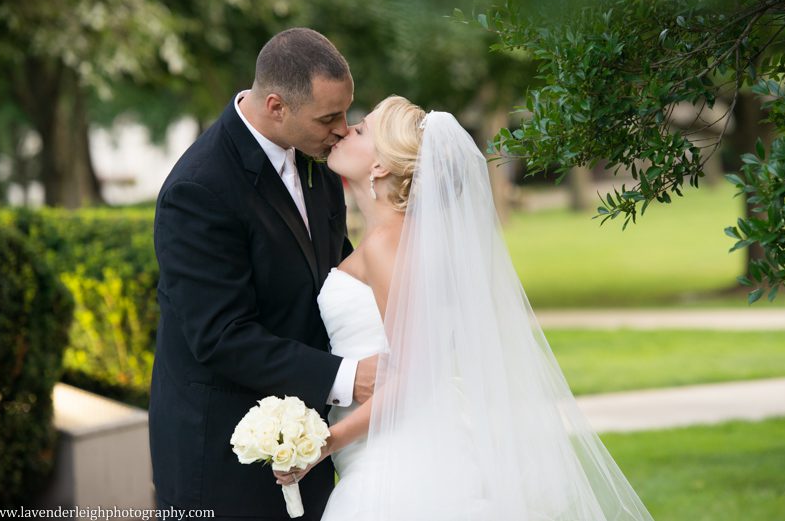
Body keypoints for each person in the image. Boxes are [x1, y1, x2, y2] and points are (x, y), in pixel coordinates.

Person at [275, 95, 656, 520]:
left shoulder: (388, 245)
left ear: (380, 166)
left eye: (362, 130)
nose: (346, 129)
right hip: (399, 448)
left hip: (398, 462)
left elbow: (412, 375)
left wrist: (324, 442)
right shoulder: (395, 238)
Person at [150, 28, 378, 520]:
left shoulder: (315, 156)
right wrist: (348, 378)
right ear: (277, 107)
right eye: (329, 117)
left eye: (345, 111)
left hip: (310, 448)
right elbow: (221, 335)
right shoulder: (199, 190)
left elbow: (337, 273)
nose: (343, 128)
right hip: (222, 464)